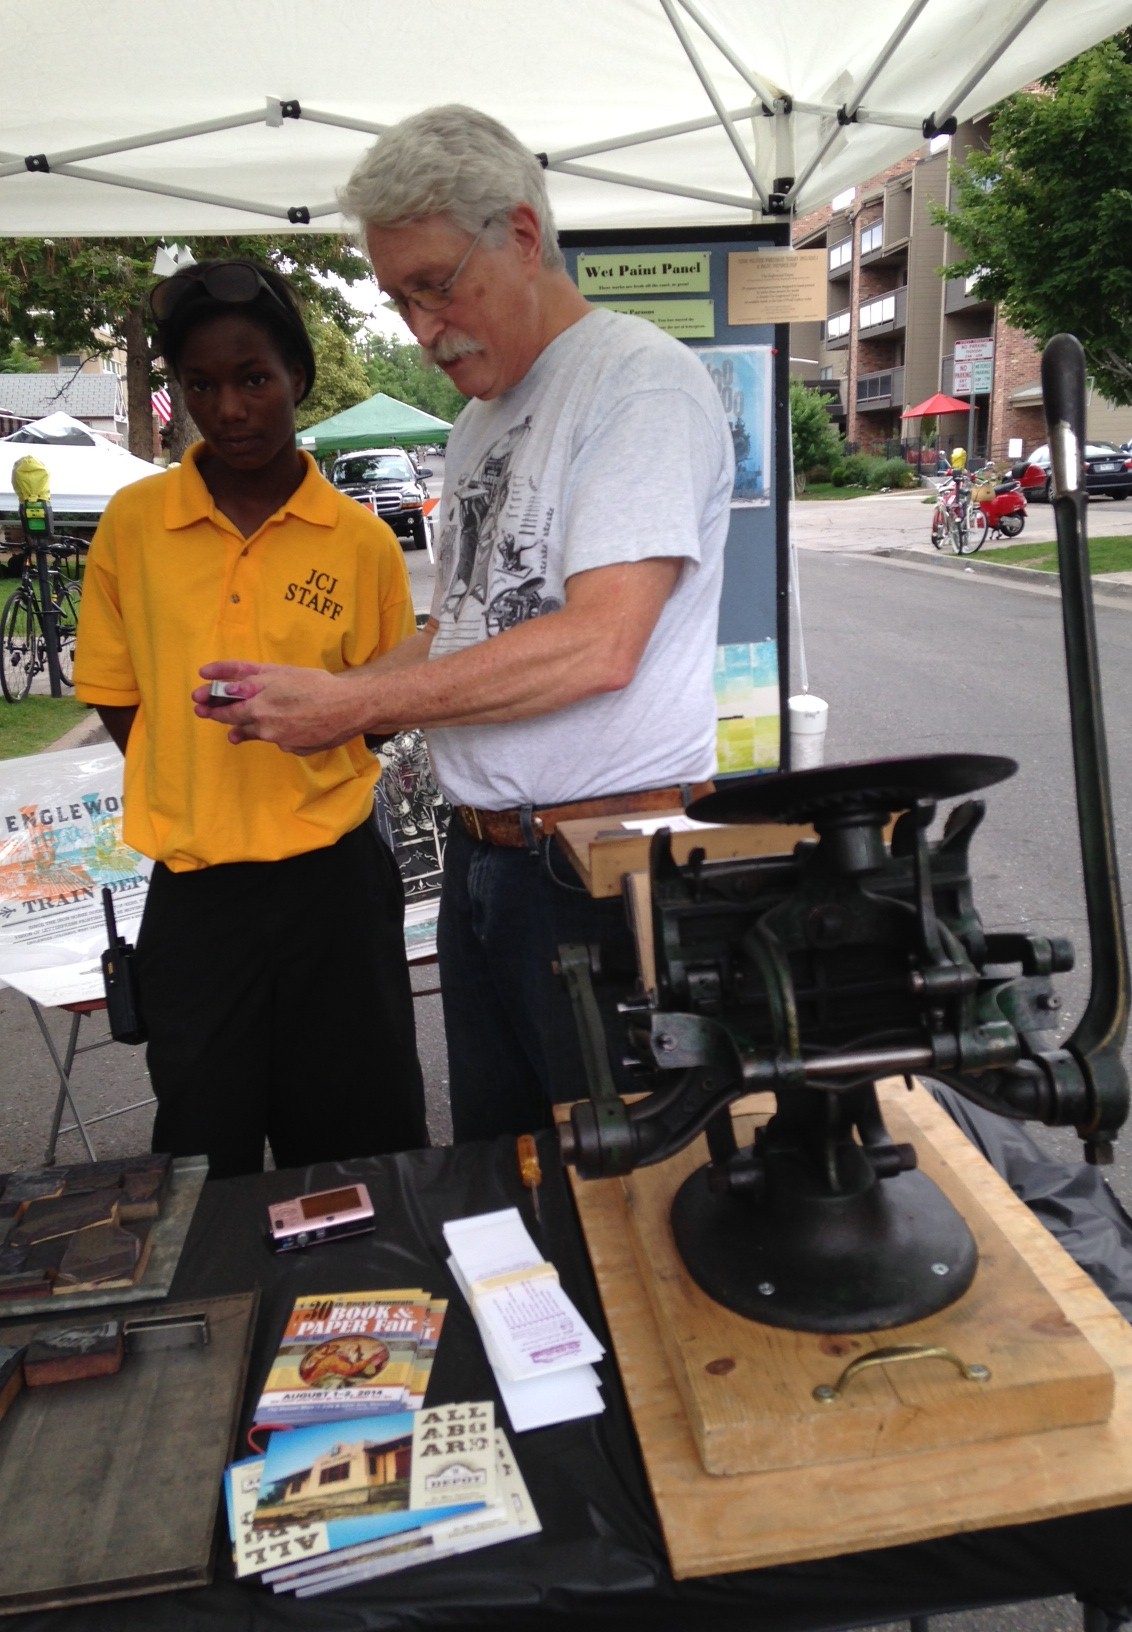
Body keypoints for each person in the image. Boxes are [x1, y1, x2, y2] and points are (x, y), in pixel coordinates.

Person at [194, 107, 736, 1144]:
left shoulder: (638, 383)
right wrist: (316, 697)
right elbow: (472, 622)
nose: (422, 328)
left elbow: (599, 643)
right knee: (511, 1167)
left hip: (601, 871)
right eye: (399, 299)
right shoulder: (486, 416)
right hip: (494, 865)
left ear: (522, 237)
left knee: (627, 1191)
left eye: (438, 284)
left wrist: (359, 702)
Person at [74, 258, 428, 1178]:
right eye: (201, 384)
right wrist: (198, 777)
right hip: (197, 898)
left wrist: (311, 746)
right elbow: (117, 693)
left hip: (337, 889)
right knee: (205, 1151)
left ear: (298, 380)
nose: (228, 408)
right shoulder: (134, 524)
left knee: (362, 1147)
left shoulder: (360, 541)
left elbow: (384, 709)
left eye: (253, 379)